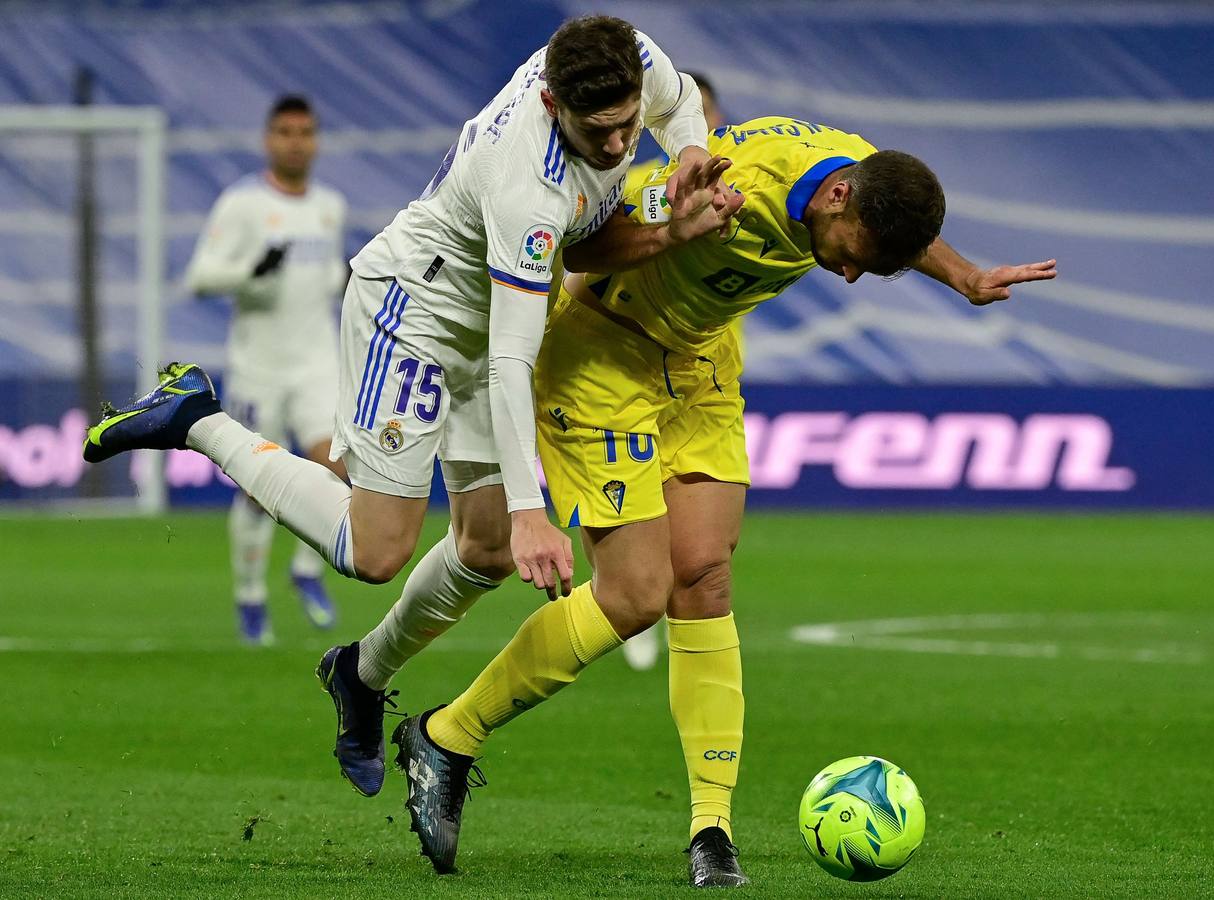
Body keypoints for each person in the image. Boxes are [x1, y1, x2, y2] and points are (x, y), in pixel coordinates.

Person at [82, 11, 736, 808]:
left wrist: (690, 151)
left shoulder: (625, 53)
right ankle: (196, 417)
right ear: (552, 106)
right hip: (420, 314)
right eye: (597, 132)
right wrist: (533, 509)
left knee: (485, 551)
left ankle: (358, 674)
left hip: (486, 318)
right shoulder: (526, 182)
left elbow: (665, 125)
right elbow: (511, 355)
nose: (615, 145)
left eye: (626, 125)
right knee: (376, 549)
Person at [382, 116, 1056, 886]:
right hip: (603, 356)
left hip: (698, 362)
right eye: (852, 259)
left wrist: (964, 276)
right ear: (836, 199)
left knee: (703, 575)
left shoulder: (861, 178)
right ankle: (447, 735)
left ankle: (711, 826)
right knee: (635, 596)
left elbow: (892, 214)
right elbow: (577, 241)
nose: (844, 278)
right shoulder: (733, 189)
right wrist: (663, 235)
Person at [183, 95, 349, 645]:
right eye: (284, 131)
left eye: (305, 131)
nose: (295, 141)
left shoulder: (330, 206)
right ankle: (250, 597)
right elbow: (200, 278)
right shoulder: (242, 205)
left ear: (316, 140)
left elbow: (328, 278)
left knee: (336, 467)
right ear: (268, 139)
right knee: (257, 490)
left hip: (317, 362)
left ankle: (306, 570)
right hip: (258, 366)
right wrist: (252, 271)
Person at [619, 72, 725, 672]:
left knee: (696, 528)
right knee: (636, 499)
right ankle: (636, 604)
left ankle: (660, 604)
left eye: (707, 116)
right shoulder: (639, 186)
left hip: (705, 374)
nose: (698, 130)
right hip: (632, 369)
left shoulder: (740, 184)